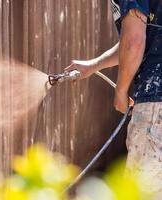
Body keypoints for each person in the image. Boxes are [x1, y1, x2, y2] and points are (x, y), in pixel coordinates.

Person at [65, 0, 162, 193]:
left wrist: (121, 91)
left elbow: (134, 41)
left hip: (156, 101)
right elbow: (138, 39)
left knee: (144, 191)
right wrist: (93, 65)